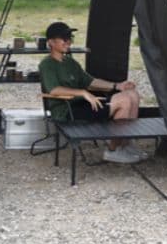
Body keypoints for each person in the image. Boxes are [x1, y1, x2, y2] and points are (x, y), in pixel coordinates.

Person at [39, 21, 145, 164]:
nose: (68, 41)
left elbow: (90, 82)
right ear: (51, 42)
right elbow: (53, 89)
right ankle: (113, 151)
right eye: (64, 38)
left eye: (70, 38)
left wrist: (117, 86)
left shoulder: (70, 62)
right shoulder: (47, 64)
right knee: (124, 101)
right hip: (66, 110)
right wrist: (83, 93)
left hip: (82, 105)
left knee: (132, 94)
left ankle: (125, 145)